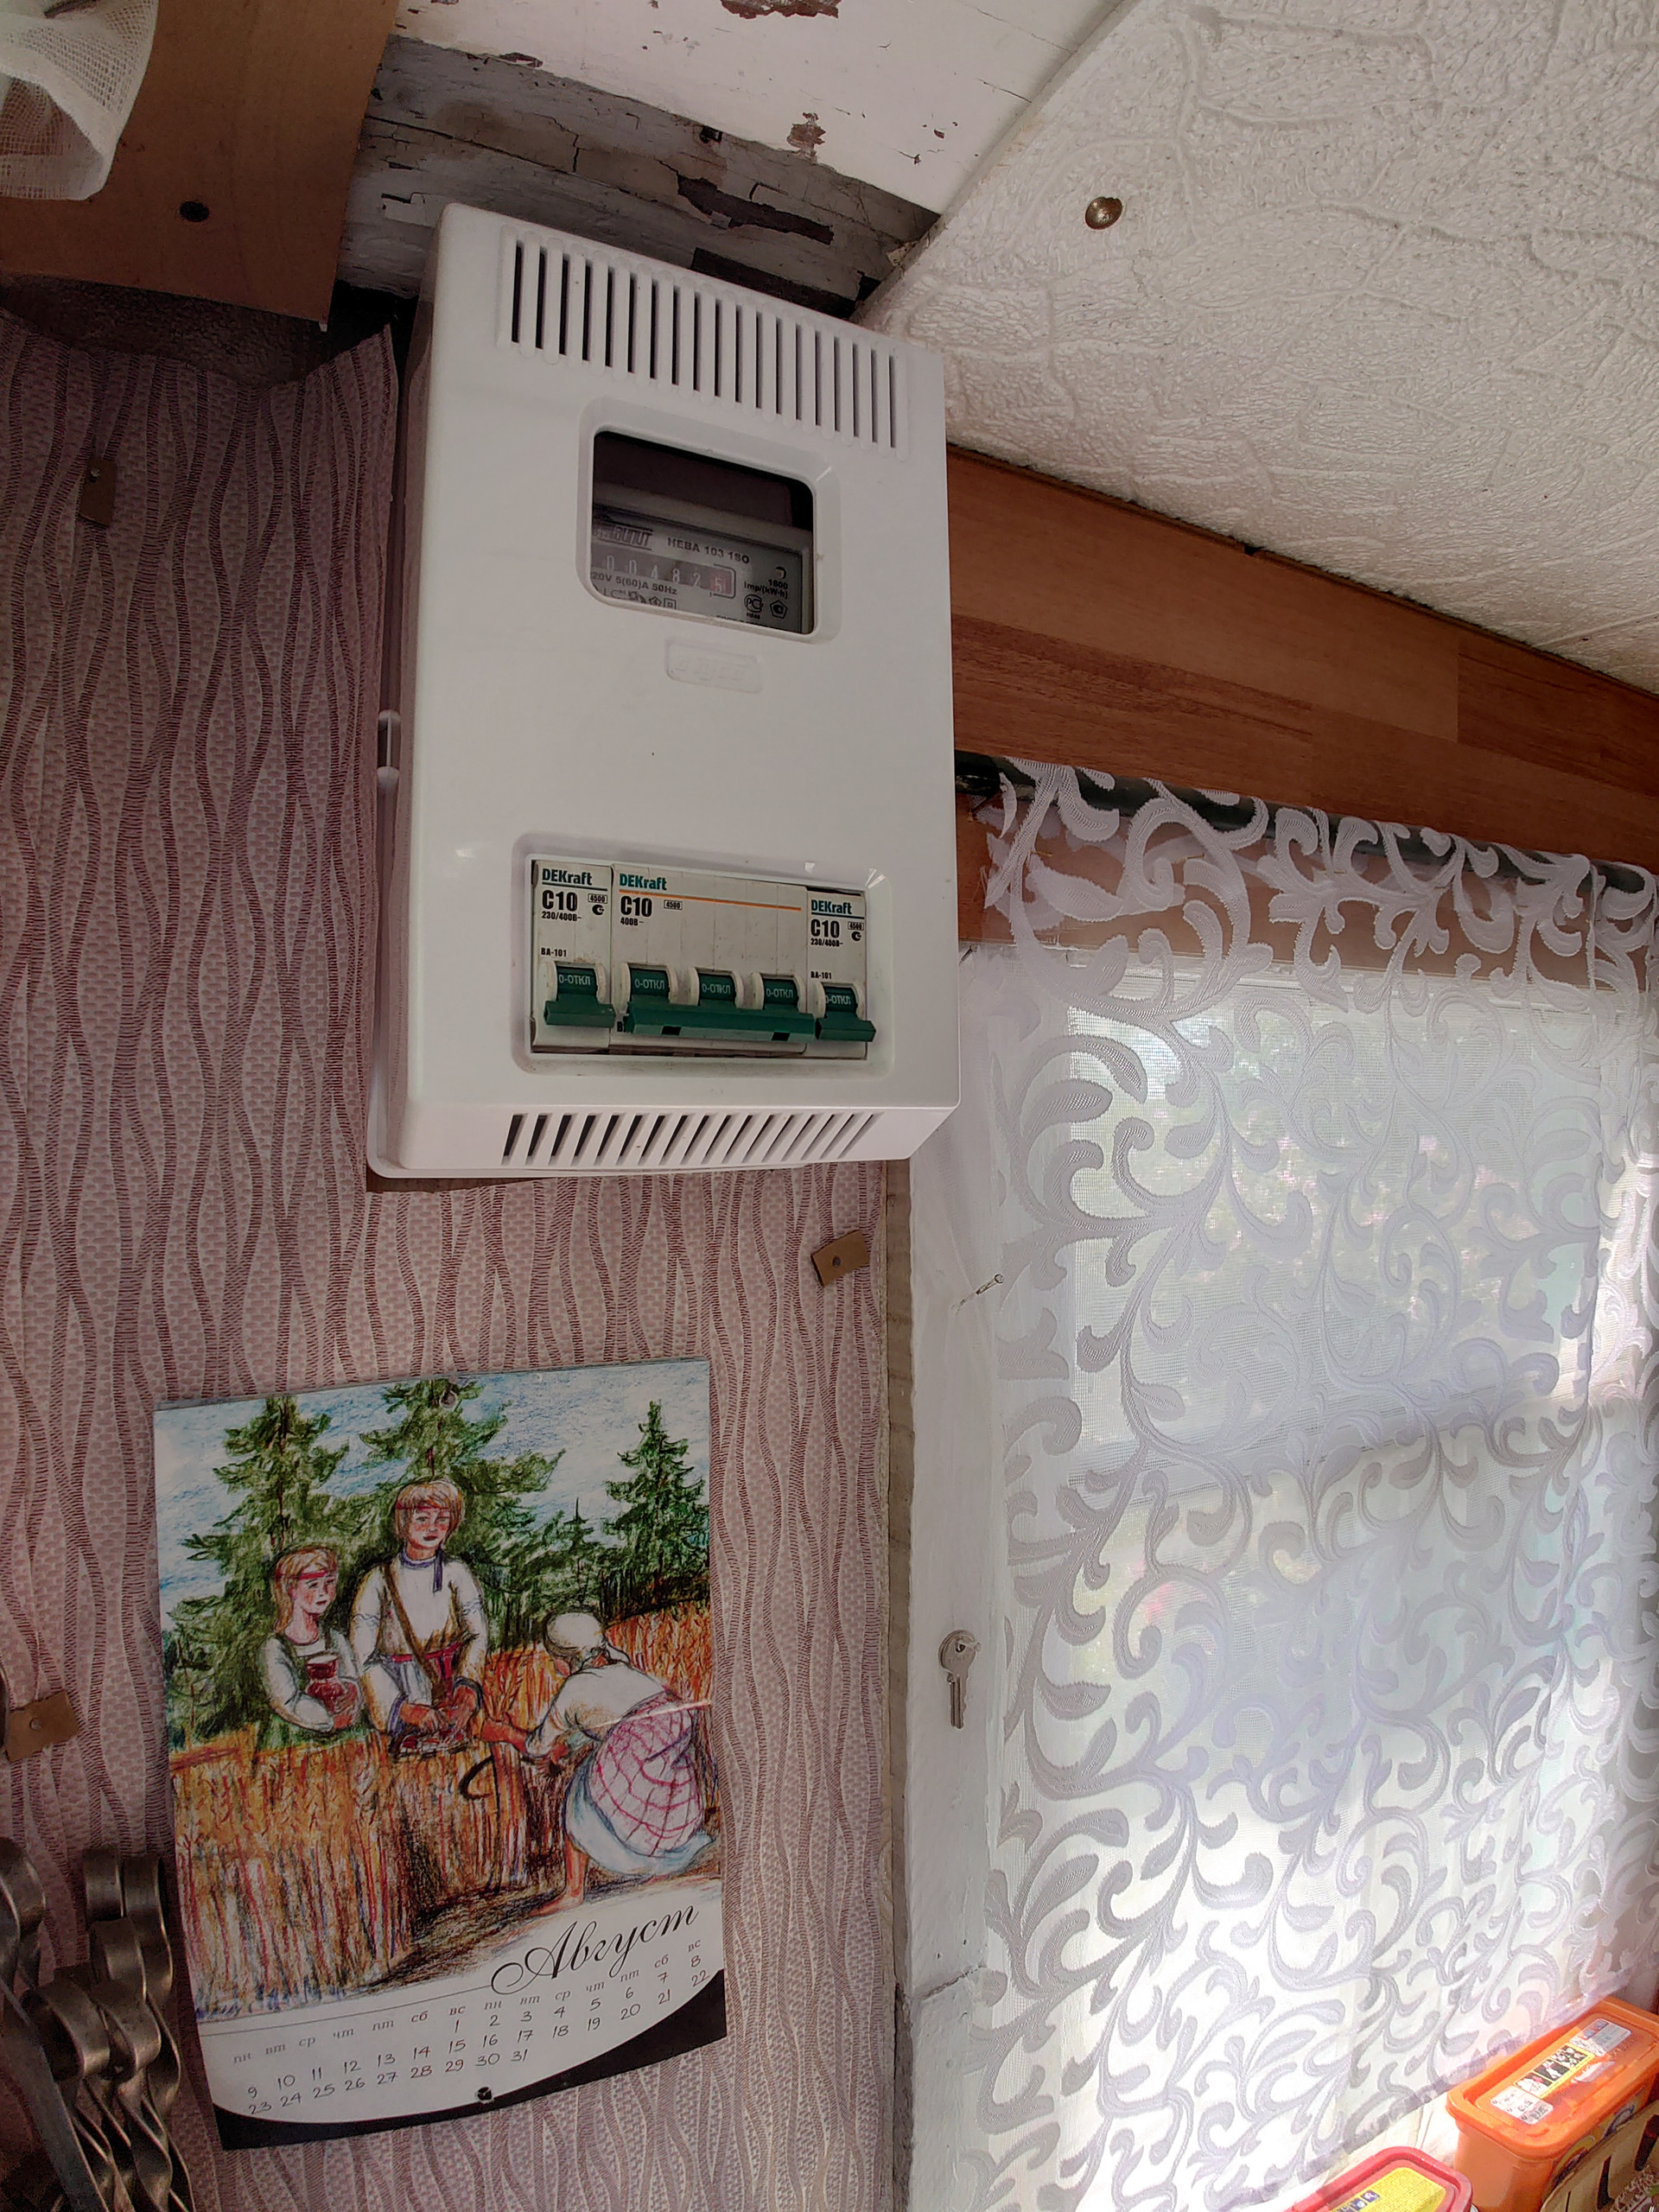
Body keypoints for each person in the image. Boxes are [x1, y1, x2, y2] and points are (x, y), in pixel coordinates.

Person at [486, 1612, 712, 1905]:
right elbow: (605, 1723)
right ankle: (660, 1867)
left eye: (553, 1658)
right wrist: (566, 1746)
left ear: (565, 1659)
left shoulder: (574, 1688)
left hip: (639, 1758)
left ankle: (573, 1891)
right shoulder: (621, 1667)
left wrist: (503, 1733)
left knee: (581, 1793)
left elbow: (536, 1746)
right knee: (640, 1794)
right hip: (665, 1758)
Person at [349, 1477, 488, 1755]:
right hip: (401, 1692)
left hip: (451, 1690)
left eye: (442, 1519)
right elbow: (363, 1655)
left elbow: (477, 1634)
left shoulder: (457, 1573)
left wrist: (467, 1689)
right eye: (422, 1519)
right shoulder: (378, 1580)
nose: (432, 1528)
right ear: (404, 1523)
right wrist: (403, 1709)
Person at [261, 1547, 361, 1742]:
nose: (323, 1592)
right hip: (294, 1739)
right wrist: (330, 1721)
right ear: (291, 1590)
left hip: (342, 1734)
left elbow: (352, 1680)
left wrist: (351, 1698)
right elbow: (288, 1702)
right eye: (313, 1585)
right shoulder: (276, 1648)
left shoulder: (335, 1638)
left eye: (329, 1582)